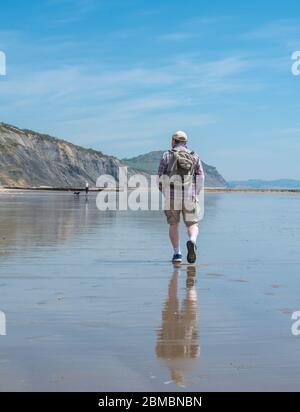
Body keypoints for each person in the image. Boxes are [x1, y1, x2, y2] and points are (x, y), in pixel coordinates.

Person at [157, 131, 204, 264]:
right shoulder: (194, 156)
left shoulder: (166, 155)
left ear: (173, 141)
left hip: (171, 196)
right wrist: (195, 193)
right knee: (192, 223)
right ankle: (192, 241)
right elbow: (201, 177)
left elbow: (159, 177)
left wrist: (165, 192)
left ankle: (177, 254)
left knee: (173, 224)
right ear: (186, 142)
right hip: (190, 196)